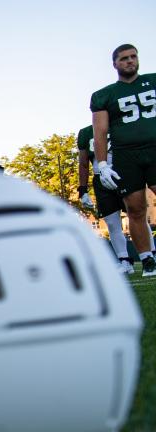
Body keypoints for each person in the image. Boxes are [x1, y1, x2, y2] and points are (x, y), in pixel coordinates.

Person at [91, 44, 156, 276]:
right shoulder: (105, 95)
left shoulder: (153, 80)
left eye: (133, 57)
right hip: (126, 154)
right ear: (115, 64)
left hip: (155, 148)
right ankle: (147, 259)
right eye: (124, 58)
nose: (130, 61)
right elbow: (99, 132)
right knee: (136, 209)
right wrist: (103, 164)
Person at [77, 124, 134, 275]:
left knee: (136, 215)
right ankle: (124, 260)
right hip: (100, 178)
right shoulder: (86, 132)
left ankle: (150, 255)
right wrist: (82, 190)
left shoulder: (121, 125)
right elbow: (83, 163)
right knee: (111, 222)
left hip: (123, 173)